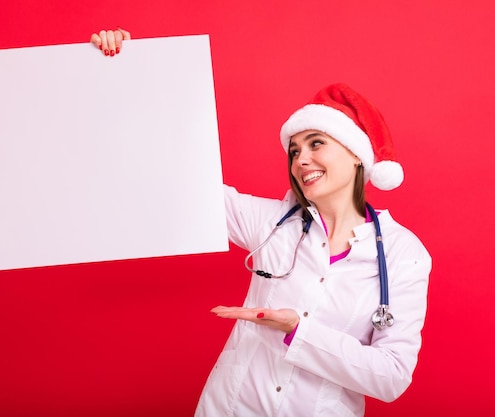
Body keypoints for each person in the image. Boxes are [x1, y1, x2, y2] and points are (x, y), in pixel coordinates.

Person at [91, 29, 432, 417]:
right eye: (294, 150)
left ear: (357, 155)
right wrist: (120, 73)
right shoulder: (272, 224)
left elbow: (391, 377)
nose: (301, 159)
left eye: (316, 143)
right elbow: (172, 174)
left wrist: (296, 330)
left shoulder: (403, 254)